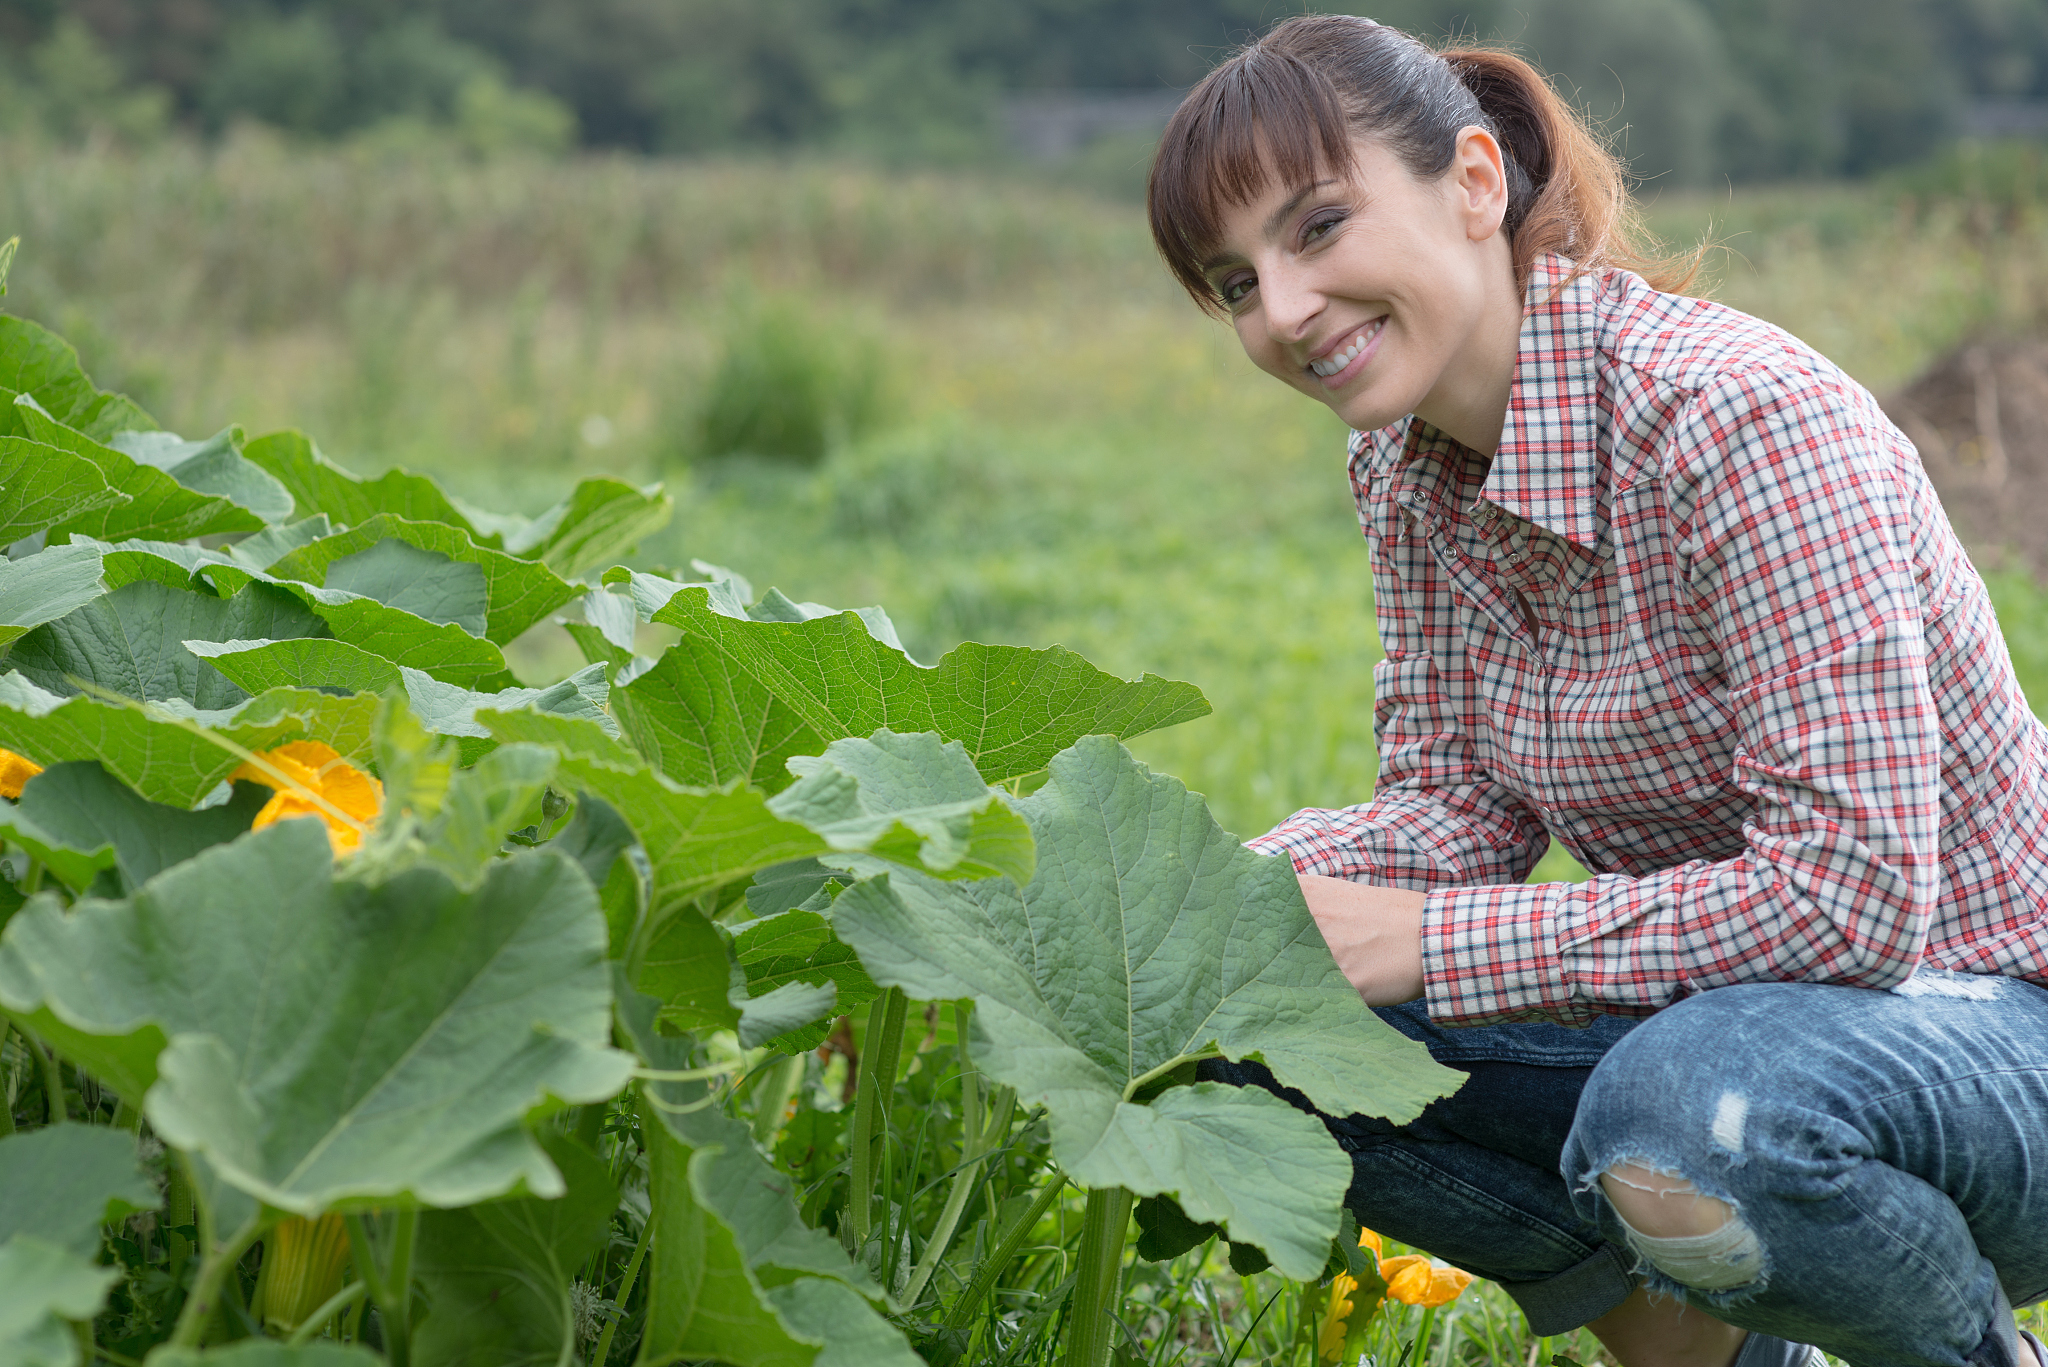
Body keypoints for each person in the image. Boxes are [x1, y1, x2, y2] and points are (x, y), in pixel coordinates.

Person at [1146, 15, 2048, 1367]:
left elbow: (1853, 897)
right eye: (1233, 282)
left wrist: (1430, 945)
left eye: (1318, 228)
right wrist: (1235, 895)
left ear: (1471, 181)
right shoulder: (1405, 465)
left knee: (1683, 1112)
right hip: (1749, 1025)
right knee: (1255, 1018)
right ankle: (1730, 1359)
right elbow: (1462, 805)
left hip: (1993, 1023)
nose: (1281, 310)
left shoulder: (1739, 421)